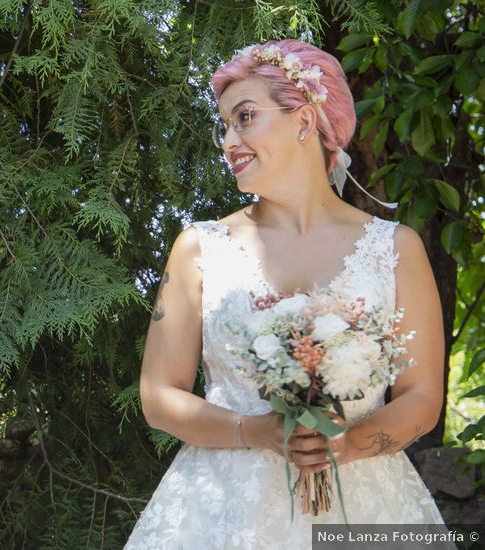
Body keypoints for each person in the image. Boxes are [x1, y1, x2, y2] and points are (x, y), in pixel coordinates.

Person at [125, 39, 447, 548]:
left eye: (245, 117)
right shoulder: (198, 248)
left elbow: (423, 398)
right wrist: (255, 432)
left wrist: (347, 446)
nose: (229, 140)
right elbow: (159, 396)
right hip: (222, 514)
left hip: (364, 508)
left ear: (304, 121)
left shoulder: (396, 249)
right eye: (225, 125)